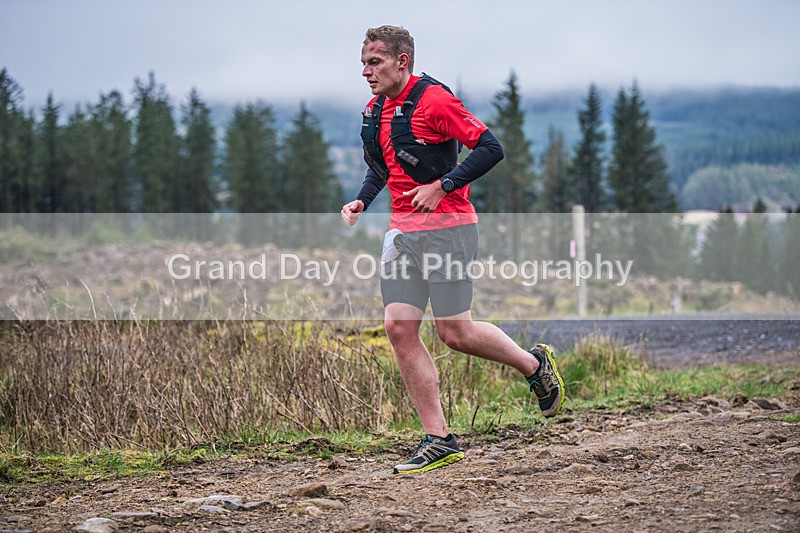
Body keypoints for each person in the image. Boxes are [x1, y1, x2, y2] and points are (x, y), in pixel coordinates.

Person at [341, 25, 564, 475]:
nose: (366, 71)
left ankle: (533, 364)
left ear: (402, 61)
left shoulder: (435, 102)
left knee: (453, 333)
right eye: (363, 63)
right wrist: (363, 199)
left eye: (375, 62)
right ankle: (439, 438)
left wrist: (443, 186)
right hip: (403, 234)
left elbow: (490, 147)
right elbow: (382, 166)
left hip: (450, 229)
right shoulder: (375, 110)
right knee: (399, 328)